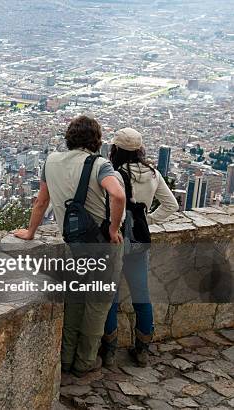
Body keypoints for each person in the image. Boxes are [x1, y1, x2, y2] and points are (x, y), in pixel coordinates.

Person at [14, 115, 126, 377]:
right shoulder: (100, 165)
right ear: (96, 140)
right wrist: (113, 229)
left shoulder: (51, 161)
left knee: (75, 302)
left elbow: (41, 202)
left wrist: (30, 232)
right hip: (101, 248)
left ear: (69, 138)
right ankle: (85, 361)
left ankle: (65, 358)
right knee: (97, 305)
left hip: (72, 247)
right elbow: (118, 194)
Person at [101, 128, 179, 367]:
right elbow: (171, 205)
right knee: (141, 296)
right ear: (139, 149)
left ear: (115, 149)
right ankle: (142, 349)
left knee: (110, 297)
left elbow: (111, 207)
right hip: (139, 243)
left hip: (117, 242)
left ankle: (110, 350)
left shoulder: (114, 173)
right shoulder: (153, 173)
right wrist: (146, 219)